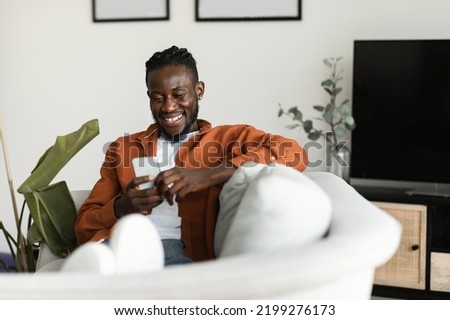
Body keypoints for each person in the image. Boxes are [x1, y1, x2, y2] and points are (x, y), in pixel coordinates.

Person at [74, 45, 308, 267]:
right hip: (121, 245)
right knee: (106, 258)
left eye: (178, 94)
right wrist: (121, 207)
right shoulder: (123, 148)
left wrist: (207, 175)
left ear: (199, 91)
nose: (167, 107)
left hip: (178, 253)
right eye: (157, 97)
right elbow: (83, 225)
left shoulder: (228, 139)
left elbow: (293, 152)